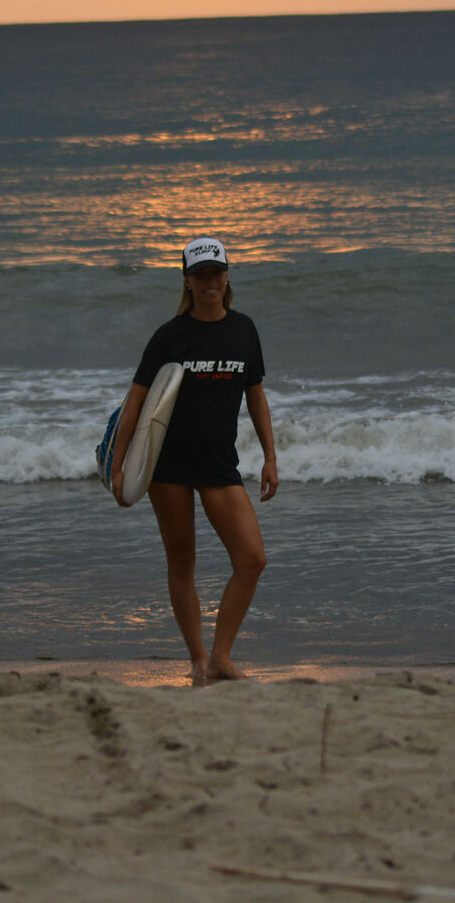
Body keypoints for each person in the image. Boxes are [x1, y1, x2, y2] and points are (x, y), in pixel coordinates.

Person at [110, 237, 278, 684]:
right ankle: (199, 660)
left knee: (252, 559)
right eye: (201, 275)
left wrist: (270, 457)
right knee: (182, 561)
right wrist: (119, 464)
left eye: (217, 273)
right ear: (187, 280)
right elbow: (136, 402)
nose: (210, 282)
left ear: (227, 276)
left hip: (219, 464)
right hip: (169, 467)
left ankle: (222, 656)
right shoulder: (170, 336)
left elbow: (256, 395)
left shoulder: (243, 329)